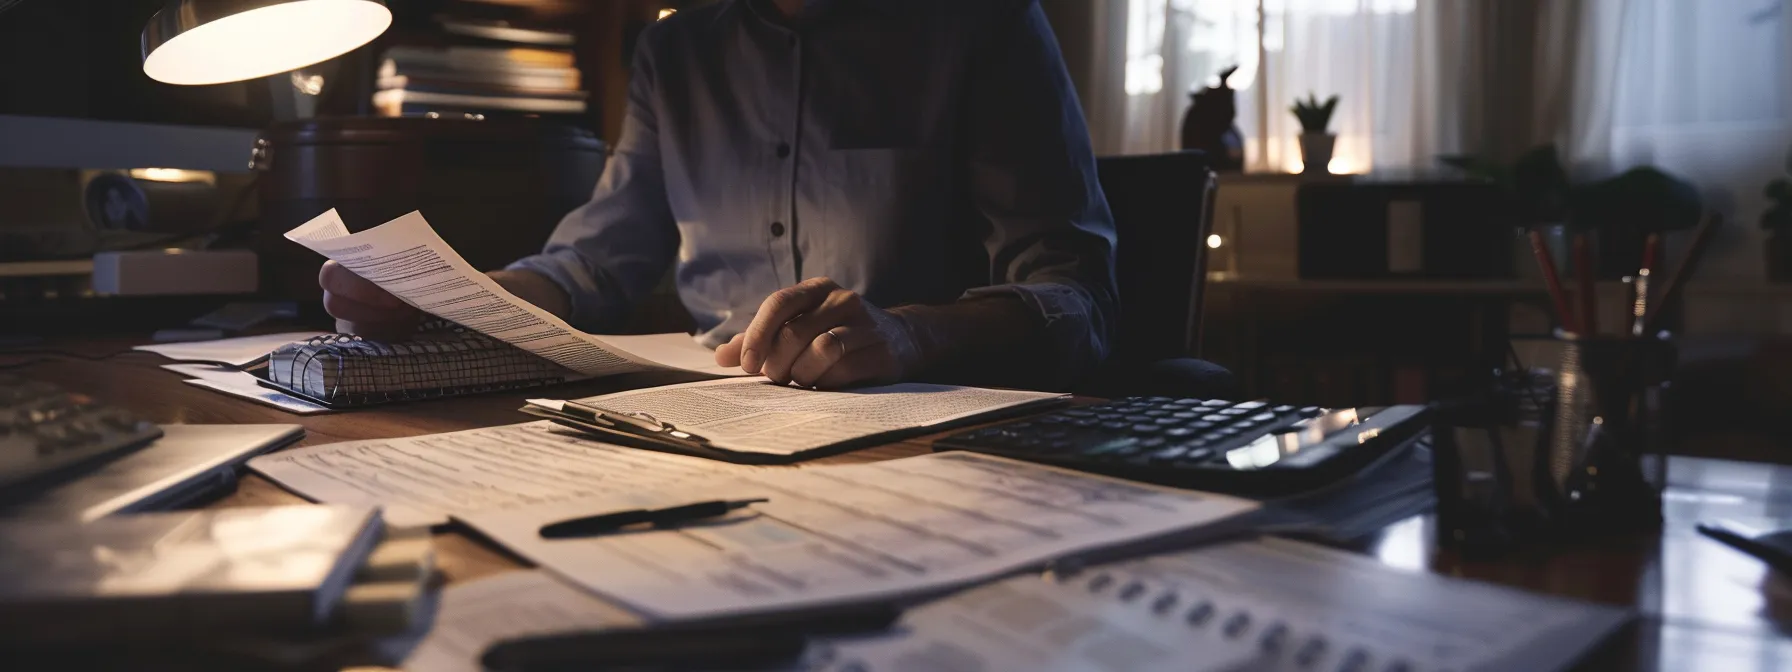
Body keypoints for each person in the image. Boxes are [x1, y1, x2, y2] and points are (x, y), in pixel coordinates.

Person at [320, 0, 1117, 391]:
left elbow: (1079, 300)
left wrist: (913, 336)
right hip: (714, 419)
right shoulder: (677, 51)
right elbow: (593, 265)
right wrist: (450, 298)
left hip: (927, 431)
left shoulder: (981, 23)